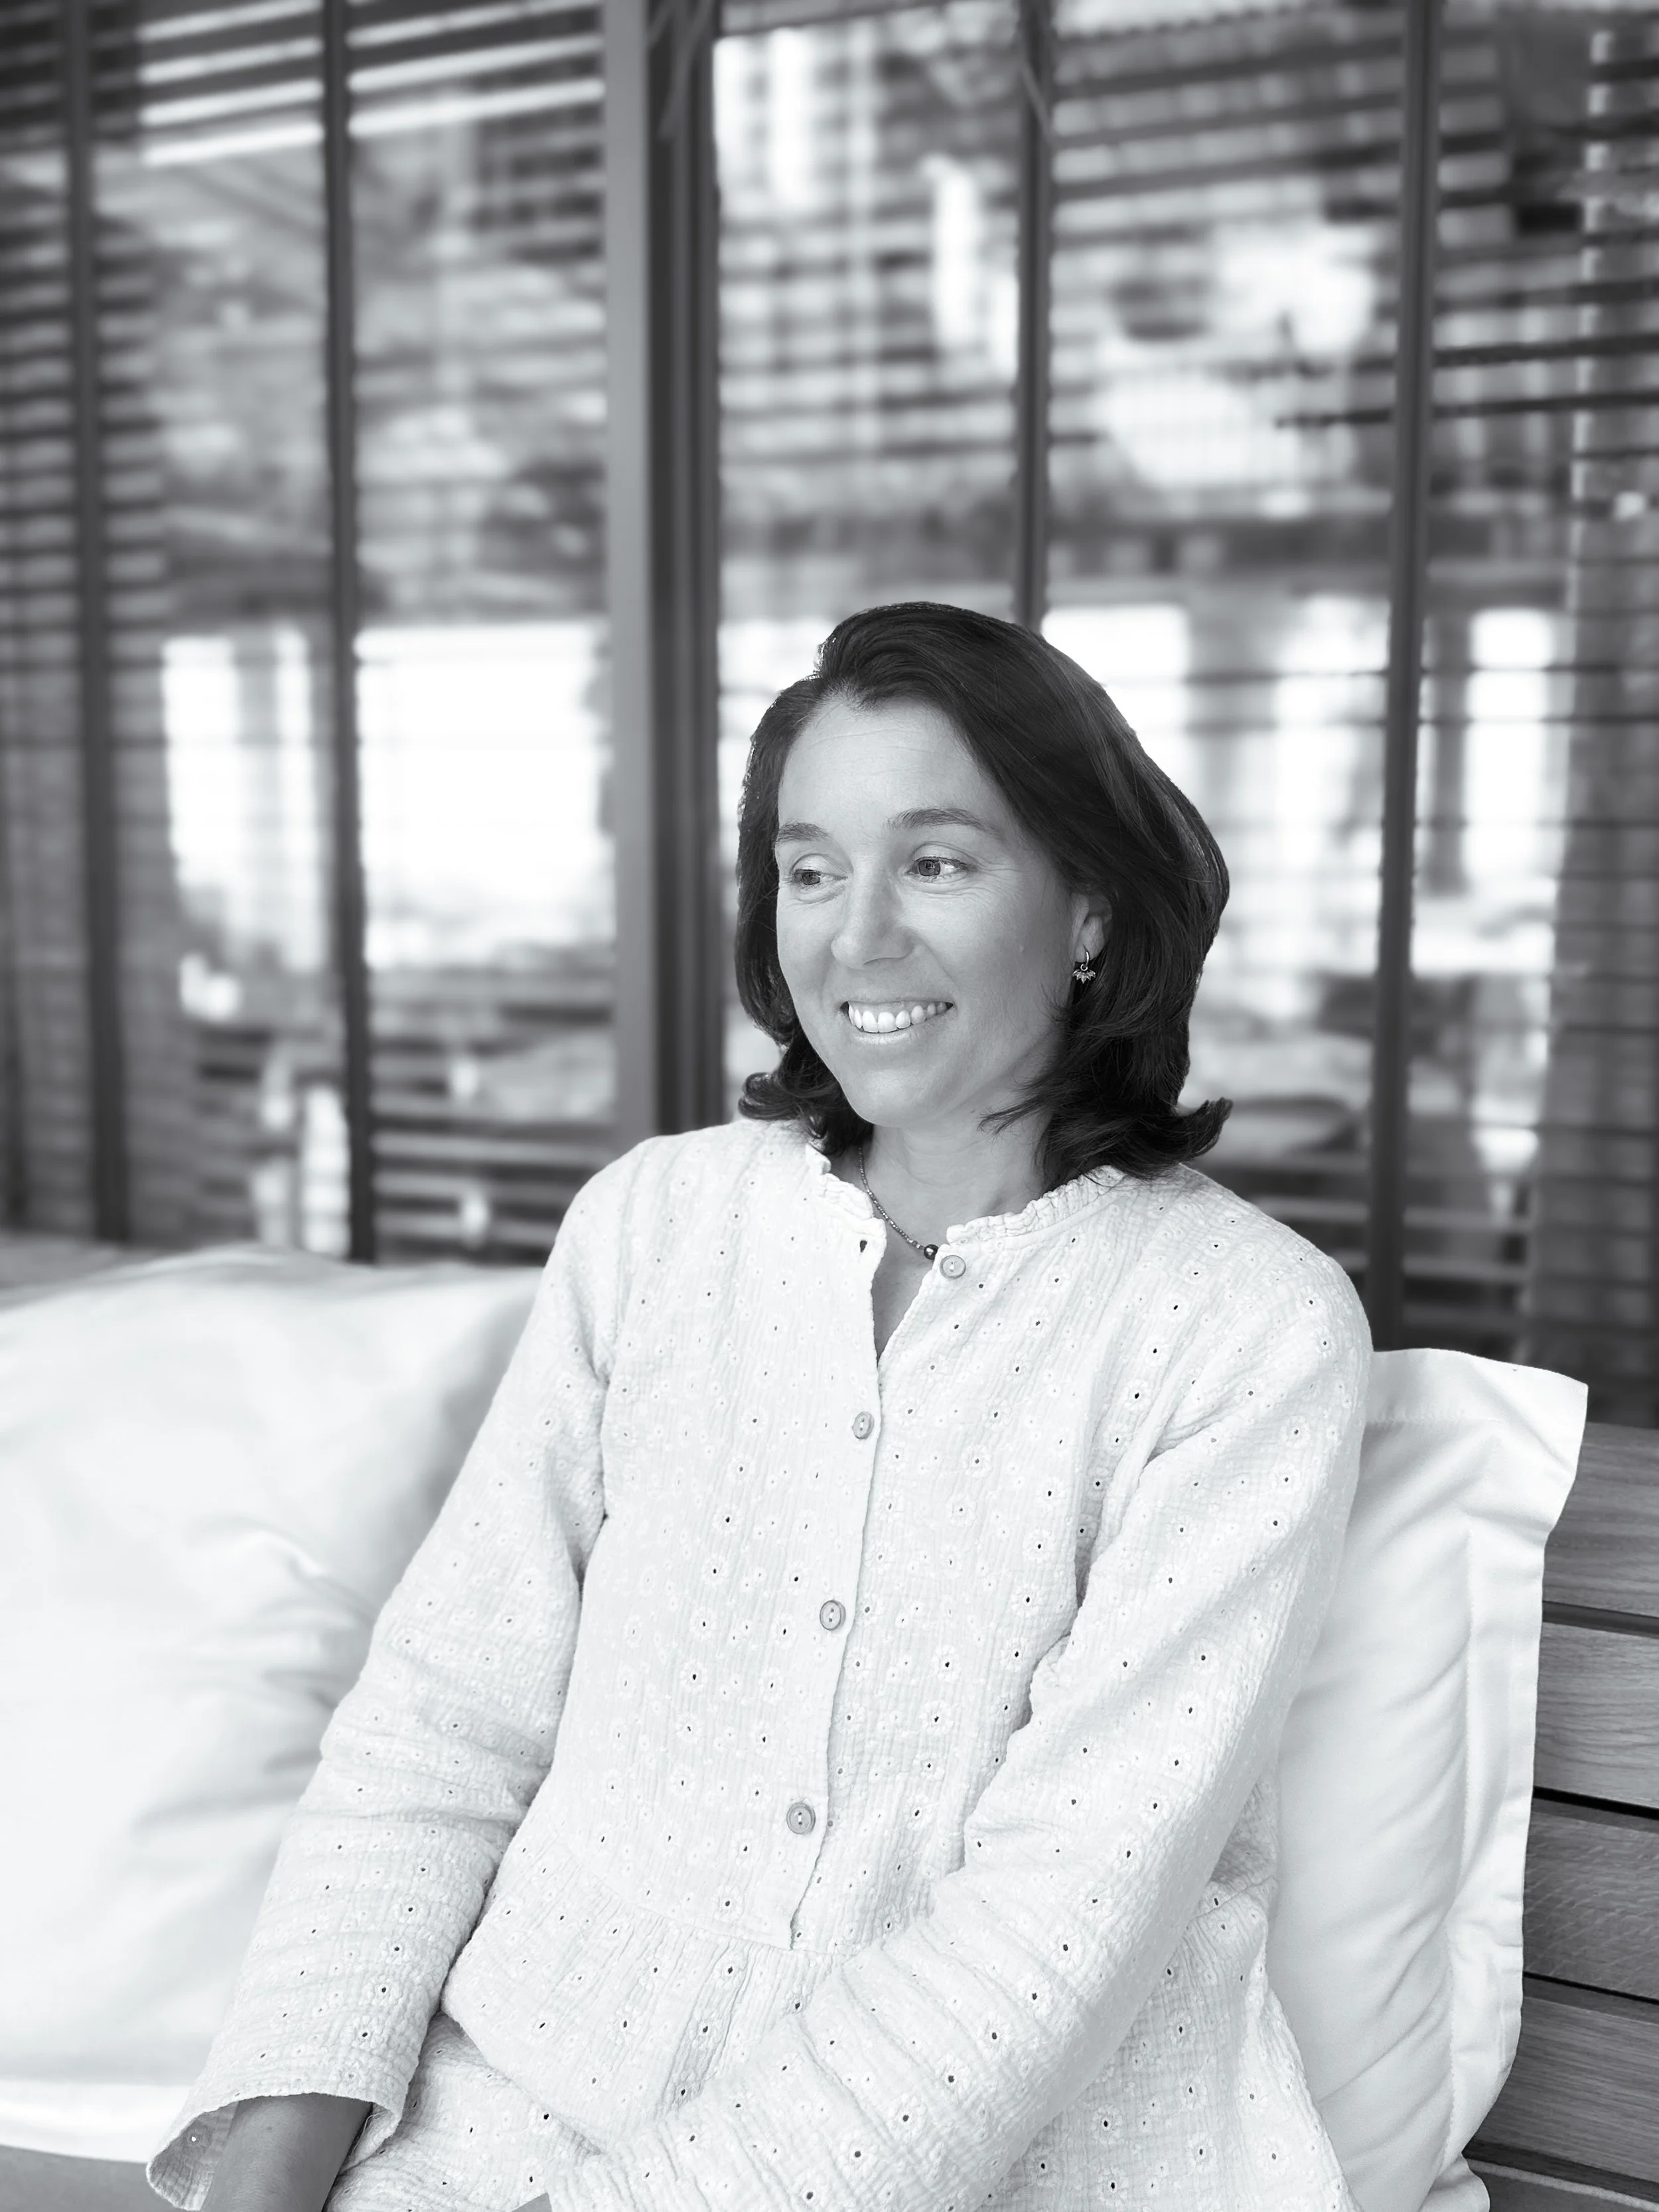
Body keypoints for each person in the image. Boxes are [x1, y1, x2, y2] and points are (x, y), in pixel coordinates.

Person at [150, 602, 1370, 2212]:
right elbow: (447, 1716)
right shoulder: (653, 1227)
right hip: (502, 2116)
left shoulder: (1243, 1329)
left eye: (935, 862)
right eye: (810, 869)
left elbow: (1055, 1916)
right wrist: (272, 2154)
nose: (853, 938)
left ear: (1087, 907)